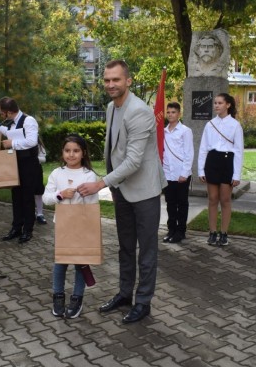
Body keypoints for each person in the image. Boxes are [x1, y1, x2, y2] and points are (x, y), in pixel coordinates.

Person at [77, 60, 167, 324]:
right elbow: (114, 149)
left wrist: (101, 183)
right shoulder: (110, 107)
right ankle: (125, 294)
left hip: (145, 191)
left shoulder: (139, 111)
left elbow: (133, 161)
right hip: (122, 190)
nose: (110, 85)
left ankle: (143, 302)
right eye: (106, 80)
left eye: (116, 80)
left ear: (128, 81)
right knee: (125, 247)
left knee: (147, 250)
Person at [43, 134, 99, 318]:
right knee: (60, 261)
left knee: (80, 263)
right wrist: (60, 194)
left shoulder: (89, 175)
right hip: (62, 225)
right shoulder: (57, 173)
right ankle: (58, 296)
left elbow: (92, 205)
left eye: (76, 151)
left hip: (81, 226)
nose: (71, 155)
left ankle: (77, 298)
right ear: (62, 152)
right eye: (67, 151)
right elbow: (46, 198)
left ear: (83, 153)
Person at [0, 97, 39, 244]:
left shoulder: (29, 120)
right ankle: (16, 227)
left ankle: (28, 229)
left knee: (27, 197)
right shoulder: (12, 122)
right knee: (16, 196)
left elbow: (32, 141)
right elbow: (9, 132)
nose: (1, 116)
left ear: (8, 112)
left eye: (1, 114)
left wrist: (12, 143)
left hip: (28, 164)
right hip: (15, 163)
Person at [197, 93, 244, 247]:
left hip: (227, 162)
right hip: (212, 161)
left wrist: (236, 174)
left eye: (220, 103)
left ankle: (224, 233)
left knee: (225, 200)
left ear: (228, 105)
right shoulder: (210, 124)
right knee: (212, 199)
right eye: (215, 103)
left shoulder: (235, 125)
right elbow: (203, 148)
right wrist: (201, 170)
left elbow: (238, 151)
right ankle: (212, 232)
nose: (216, 105)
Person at [162, 102, 194, 244]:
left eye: (173, 112)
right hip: (168, 173)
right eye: (168, 112)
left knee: (182, 203)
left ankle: (181, 231)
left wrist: (185, 173)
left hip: (181, 174)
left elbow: (189, 153)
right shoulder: (163, 131)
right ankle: (171, 229)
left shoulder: (185, 131)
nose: (170, 115)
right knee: (170, 203)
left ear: (179, 114)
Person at [35, 137, 47, 225]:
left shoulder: (39, 146)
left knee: (38, 192)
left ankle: (39, 214)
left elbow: (43, 158)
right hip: (23, 170)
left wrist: (33, 158)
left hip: (36, 170)